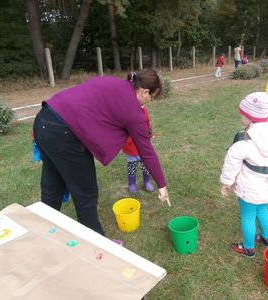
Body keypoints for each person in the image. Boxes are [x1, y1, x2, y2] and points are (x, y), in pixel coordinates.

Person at [32, 68, 171, 236]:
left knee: (53, 184)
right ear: (145, 91)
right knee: (85, 192)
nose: (149, 101)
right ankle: (95, 243)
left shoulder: (111, 82)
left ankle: (41, 233)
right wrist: (162, 185)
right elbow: (146, 151)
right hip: (64, 134)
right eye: (151, 97)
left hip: (43, 120)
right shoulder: (133, 111)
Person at [220, 92, 268, 257]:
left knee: (248, 215)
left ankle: (248, 248)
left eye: (243, 114)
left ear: (250, 117)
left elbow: (231, 162)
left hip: (249, 188)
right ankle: (267, 238)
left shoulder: (244, 140)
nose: (241, 117)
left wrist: (226, 182)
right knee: (262, 210)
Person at [122, 104, 154, 193]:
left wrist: (150, 135)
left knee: (146, 164)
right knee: (132, 165)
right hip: (131, 145)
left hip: (143, 144)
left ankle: (146, 181)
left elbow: (147, 123)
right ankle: (131, 183)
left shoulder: (144, 109)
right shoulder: (124, 111)